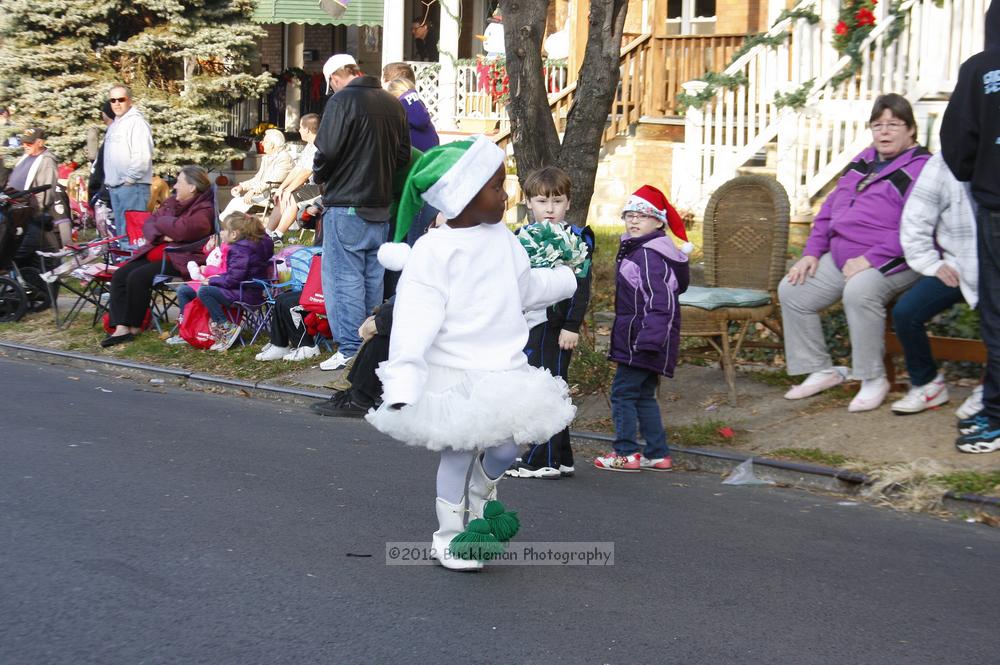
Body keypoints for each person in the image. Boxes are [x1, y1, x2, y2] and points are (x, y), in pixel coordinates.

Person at [366, 137, 578, 570]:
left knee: (508, 446)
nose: (507, 194)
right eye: (496, 186)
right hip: (456, 371)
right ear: (462, 195)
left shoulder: (503, 239)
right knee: (459, 452)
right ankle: (448, 536)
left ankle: (483, 492)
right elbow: (415, 318)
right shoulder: (434, 250)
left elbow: (524, 288)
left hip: (505, 367)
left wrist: (562, 280)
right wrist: (405, 376)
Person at [779, 93, 931, 412]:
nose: (884, 132)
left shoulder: (922, 169)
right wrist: (811, 252)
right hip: (842, 255)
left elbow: (918, 227)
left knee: (860, 292)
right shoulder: (864, 160)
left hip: (897, 258)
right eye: (878, 125)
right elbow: (830, 208)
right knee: (794, 289)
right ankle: (821, 369)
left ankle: (873, 378)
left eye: (893, 124)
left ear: (911, 130)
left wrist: (870, 259)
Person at [313, 53, 410, 371]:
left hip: (346, 204)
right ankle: (371, 346)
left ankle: (351, 348)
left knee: (344, 278)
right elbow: (402, 156)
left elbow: (325, 151)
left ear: (334, 78)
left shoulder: (341, 102)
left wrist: (321, 176)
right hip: (380, 205)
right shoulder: (392, 102)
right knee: (372, 278)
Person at [593, 185, 691, 472]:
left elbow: (660, 300)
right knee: (644, 394)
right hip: (646, 337)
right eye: (630, 215)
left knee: (622, 393)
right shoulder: (643, 249)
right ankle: (657, 454)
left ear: (659, 222)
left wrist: (649, 339)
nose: (634, 221)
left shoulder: (648, 254)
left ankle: (626, 453)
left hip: (643, 339)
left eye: (643, 216)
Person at [506, 166, 594, 479]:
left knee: (549, 388)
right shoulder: (519, 238)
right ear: (528, 202)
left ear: (569, 203)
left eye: (557, 201)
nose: (550, 209)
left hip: (556, 327)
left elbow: (581, 286)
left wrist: (572, 324)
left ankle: (542, 458)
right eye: (542, 202)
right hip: (529, 323)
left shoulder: (576, 239)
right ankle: (563, 456)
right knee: (545, 386)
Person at [940, 3, 1000, 453]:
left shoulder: (982, 69)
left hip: (997, 206)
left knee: (998, 316)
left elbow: (957, 146)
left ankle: (996, 418)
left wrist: (978, 171)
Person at [891, 153, 980, 415]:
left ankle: (990, 391)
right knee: (906, 313)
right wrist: (932, 264)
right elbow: (916, 218)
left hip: (994, 270)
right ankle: (928, 384)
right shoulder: (943, 163)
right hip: (957, 265)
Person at [102, 165, 214, 348]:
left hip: (180, 259)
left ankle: (135, 326)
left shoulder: (204, 209)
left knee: (137, 277)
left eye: (179, 182)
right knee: (120, 275)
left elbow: (185, 229)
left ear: (192, 187)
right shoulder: (172, 203)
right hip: (154, 253)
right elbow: (148, 224)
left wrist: (163, 224)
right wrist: (167, 231)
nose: (175, 186)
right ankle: (121, 326)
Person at [172, 212, 274, 351]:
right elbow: (235, 275)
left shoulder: (240, 249)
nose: (221, 232)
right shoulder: (250, 245)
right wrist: (215, 279)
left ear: (234, 234)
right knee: (186, 290)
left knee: (205, 291)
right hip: (244, 289)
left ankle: (226, 328)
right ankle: (187, 330)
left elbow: (234, 278)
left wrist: (213, 281)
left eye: (224, 229)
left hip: (245, 293)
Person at [103, 84, 154, 248]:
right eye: (113, 100)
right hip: (116, 187)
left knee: (135, 237)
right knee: (123, 236)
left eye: (121, 99)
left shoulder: (137, 123)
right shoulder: (115, 125)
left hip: (133, 187)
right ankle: (124, 268)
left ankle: (136, 270)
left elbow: (142, 155)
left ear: (129, 101)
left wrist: (130, 179)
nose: (117, 103)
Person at [8, 127, 70, 248]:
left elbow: (45, 191)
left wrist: (34, 211)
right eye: (24, 142)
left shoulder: (46, 160)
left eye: (29, 143)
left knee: (32, 248)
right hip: (16, 208)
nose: (25, 145)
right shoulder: (26, 156)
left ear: (40, 143)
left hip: (29, 213)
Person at [267, 114, 321, 242]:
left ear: (307, 129)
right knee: (282, 195)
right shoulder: (309, 146)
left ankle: (278, 235)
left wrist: (288, 190)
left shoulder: (319, 146)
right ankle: (267, 232)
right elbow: (298, 169)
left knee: (291, 196)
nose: (299, 131)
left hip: (322, 187)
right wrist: (282, 188)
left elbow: (306, 172)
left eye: (301, 128)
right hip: (312, 186)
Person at [221, 128, 292, 221]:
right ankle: (224, 228)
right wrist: (242, 186)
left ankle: (226, 228)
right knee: (235, 202)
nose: (262, 143)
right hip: (263, 193)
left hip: (272, 195)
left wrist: (253, 191)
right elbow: (258, 178)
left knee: (236, 205)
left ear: (273, 145)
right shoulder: (267, 158)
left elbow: (273, 181)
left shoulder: (284, 158)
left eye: (265, 141)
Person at [381, 63, 439, 152]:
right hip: (431, 158)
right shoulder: (417, 104)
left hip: (412, 162)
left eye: (382, 79)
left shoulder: (395, 109)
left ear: (389, 83)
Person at [87, 102, 116, 237]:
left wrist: (99, 195)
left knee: (111, 240)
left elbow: (102, 170)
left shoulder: (113, 138)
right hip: (106, 195)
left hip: (107, 198)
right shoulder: (111, 135)